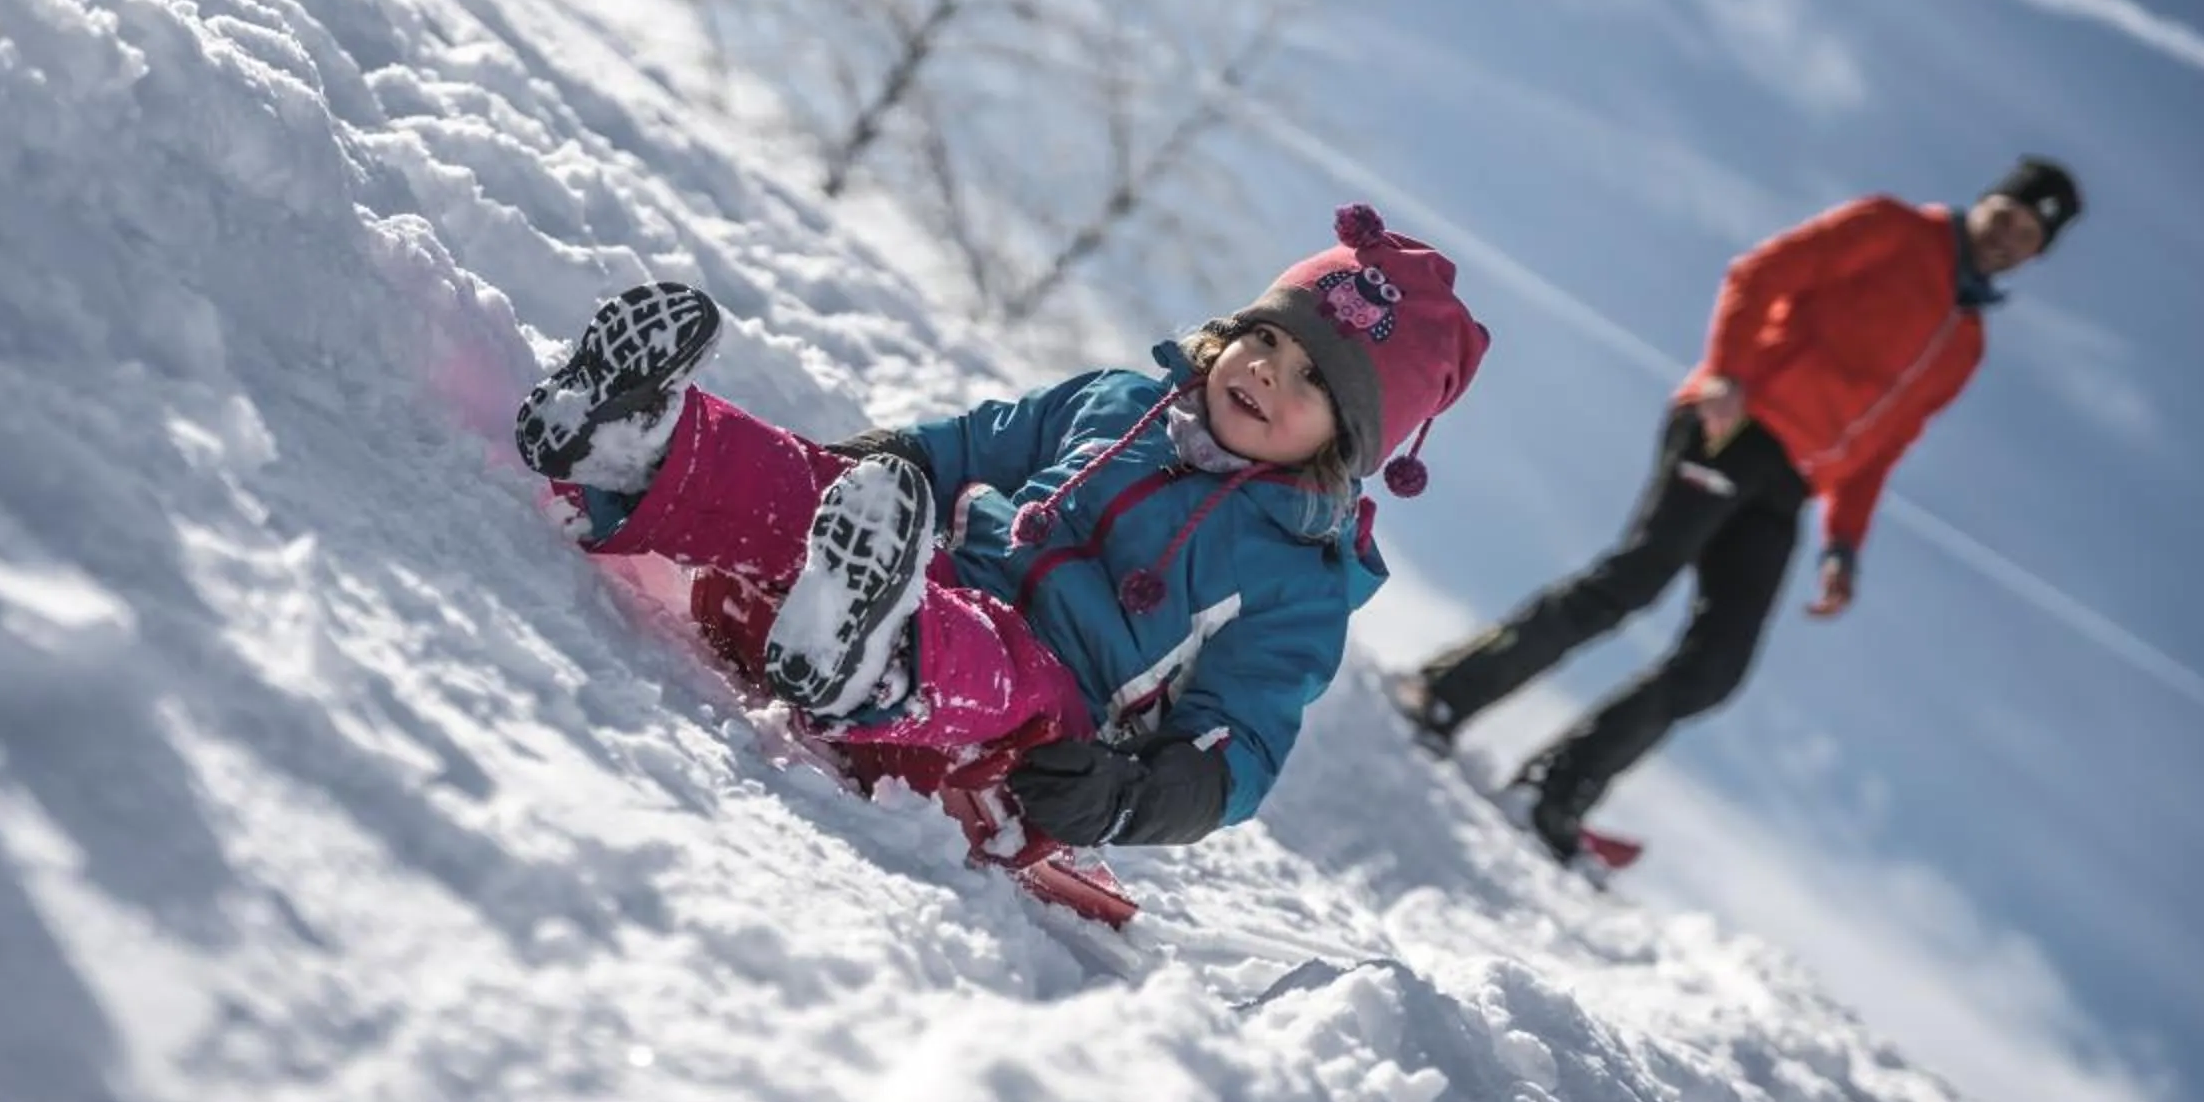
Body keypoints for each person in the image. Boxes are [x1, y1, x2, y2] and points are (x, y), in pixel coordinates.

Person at [514, 205, 1490, 850]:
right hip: (929, 568)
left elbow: (1242, 746)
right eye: (1266, 336)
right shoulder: (1118, 400)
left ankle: (875, 660)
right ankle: (635, 445)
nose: (1269, 369)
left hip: (1045, 708)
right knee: (832, 491)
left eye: (1312, 377)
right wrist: (877, 460)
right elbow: (969, 448)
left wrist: (1125, 795)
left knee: (995, 659)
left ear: (1350, 441)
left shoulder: (1301, 575)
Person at [1396, 156, 2083, 861]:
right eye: (2006, 217)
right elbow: (1762, 273)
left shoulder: (1966, 344)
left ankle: (1557, 787)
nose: (2008, 238)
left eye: (2027, 237)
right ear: (1986, 203)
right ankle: (1443, 691)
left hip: (1790, 486)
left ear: (2034, 256)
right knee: (1633, 581)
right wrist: (1727, 372)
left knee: (1718, 664)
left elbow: (1884, 448)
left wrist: (1843, 546)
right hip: (1739, 421)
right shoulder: (1896, 229)